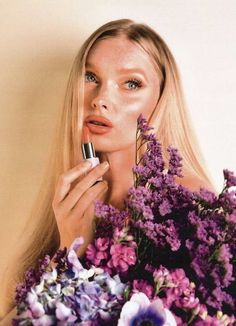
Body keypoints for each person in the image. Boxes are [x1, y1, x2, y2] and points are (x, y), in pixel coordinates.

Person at [0, 18, 216, 322]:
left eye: (131, 84)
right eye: (90, 77)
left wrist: (74, 257)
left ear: (161, 100)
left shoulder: (192, 208)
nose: (100, 99)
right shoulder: (72, 204)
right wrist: (69, 248)